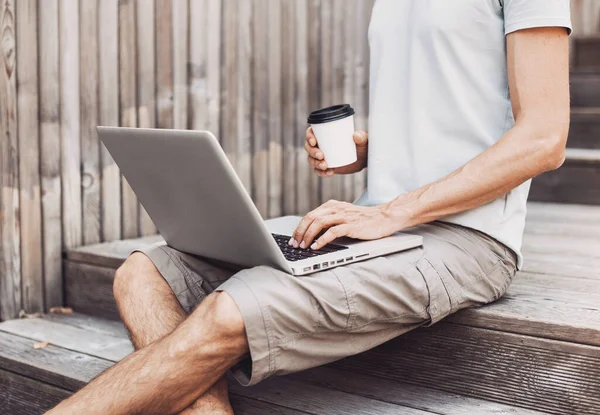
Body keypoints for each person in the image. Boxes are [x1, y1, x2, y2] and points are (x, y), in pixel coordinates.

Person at [48, 1, 572, 414]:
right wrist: (370, 152)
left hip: (466, 238)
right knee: (143, 274)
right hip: (385, 224)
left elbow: (544, 138)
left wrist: (396, 210)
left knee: (230, 310)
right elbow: (455, 112)